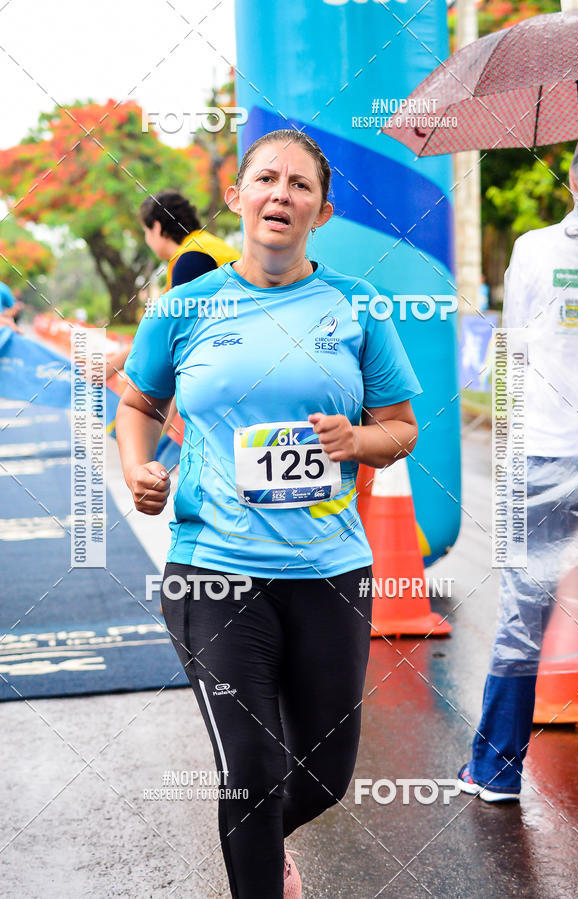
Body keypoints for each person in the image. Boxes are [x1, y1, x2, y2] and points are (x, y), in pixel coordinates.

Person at [116, 129, 421, 897]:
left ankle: (252, 842)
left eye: (299, 186)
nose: (280, 194)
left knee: (322, 776)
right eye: (265, 179)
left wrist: (357, 437)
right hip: (212, 569)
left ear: (321, 210)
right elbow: (139, 401)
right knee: (249, 772)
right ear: (237, 196)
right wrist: (138, 467)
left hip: (329, 569)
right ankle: (253, 859)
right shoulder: (184, 306)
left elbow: (402, 427)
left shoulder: (357, 304)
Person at [458, 121, 578, 804]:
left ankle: (496, 770)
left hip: (541, 453)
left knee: (523, 611)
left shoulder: (535, 250)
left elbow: (511, 351)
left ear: (575, 178)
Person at [105, 190, 240, 379]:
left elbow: (170, 335)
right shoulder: (203, 246)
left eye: (145, 231)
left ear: (157, 227)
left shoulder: (192, 259)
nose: (146, 239)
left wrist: (111, 367)